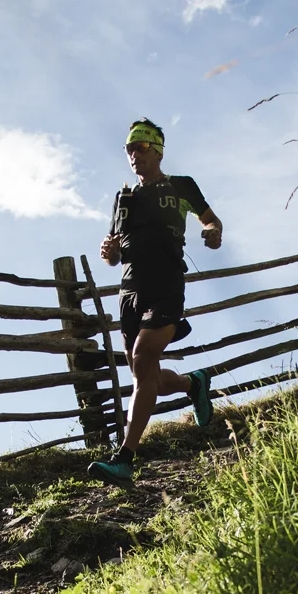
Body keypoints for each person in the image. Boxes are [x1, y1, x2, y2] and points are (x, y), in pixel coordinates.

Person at [87, 118, 224, 489]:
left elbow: (213, 223)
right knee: (142, 374)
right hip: (129, 292)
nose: (135, 155)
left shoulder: (181, 187)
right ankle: (192, 384)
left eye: (142, 148)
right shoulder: (123, 198)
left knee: (145, 357)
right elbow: (113, 254)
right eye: (130, 149)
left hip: (166, 284)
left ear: (158, 150)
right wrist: (109, 252)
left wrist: (211, 235)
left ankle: (126, 457)